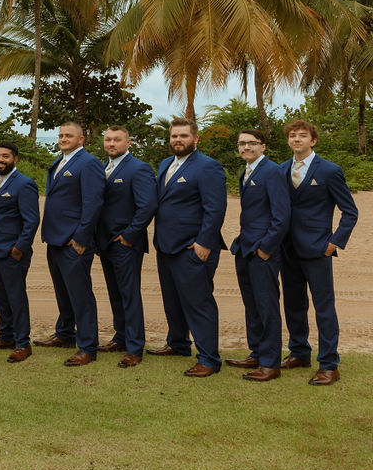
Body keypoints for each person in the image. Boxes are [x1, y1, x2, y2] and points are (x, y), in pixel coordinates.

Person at [280, 120, 358, 386]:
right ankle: (299, 352)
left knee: (324, 308)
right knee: (293, 304)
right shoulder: (280, 170)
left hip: (317, 249)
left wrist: (334, 242)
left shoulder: (329, 171)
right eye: (292, 136)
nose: (297, 139)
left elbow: (350, 211)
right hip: (287, 249)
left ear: (313, 141)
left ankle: (329, 364)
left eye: (303, 136)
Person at [148, 118, 227, 377]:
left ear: (196, 139)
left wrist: (204, 243)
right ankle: (178, 343)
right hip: (167, 245)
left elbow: (215, 209)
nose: (177, 140)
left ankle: (209, 359)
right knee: (173, 302)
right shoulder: (166, 164)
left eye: (183, 136)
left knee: (198, 303)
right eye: (173, 136)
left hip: (193, 247)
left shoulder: (208, 167)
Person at [36, 122, 105, 366]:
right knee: (62, 292)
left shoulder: (89, 163)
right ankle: (65, 334)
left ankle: (87, 347)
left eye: (69, 135)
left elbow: (93, 204)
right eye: (61, 134)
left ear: (81, 139)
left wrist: (81, 239)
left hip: (73, 242)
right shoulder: (59, 161)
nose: (63, 138)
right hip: (54, 239)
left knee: (80, 295)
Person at [226, 129, 290, 382]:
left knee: (266, 305)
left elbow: (281, 215)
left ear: (263, 146)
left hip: (262, 250)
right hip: (244, 247)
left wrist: (266, 248)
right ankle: (257, 353)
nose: (246, 147)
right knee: (252, 305)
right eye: (242, 143)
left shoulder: (272, 171)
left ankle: (270, 363)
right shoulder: (247, 170)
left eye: (252, 143)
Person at [94, 126, 157, 369]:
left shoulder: (138, 168)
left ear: (128, 142)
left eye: (117, 140)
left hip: (125, 243)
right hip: (105, 243)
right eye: (108, 139)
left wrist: (129, 236)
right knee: (115, 293)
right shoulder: (102, 168)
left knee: (129, 295)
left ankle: (134, 347)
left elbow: (147, 206)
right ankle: (120, 337)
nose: (111, 144)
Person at [0, 142, 39, 363]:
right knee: (1, 297)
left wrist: (18, 249)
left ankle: (23, 343)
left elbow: (31, 221)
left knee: (16, 298)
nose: (0, 160)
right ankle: (6, 336)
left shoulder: (25, 184)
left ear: (15, 159)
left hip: (12, 252)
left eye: (5, 156)